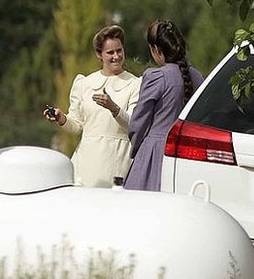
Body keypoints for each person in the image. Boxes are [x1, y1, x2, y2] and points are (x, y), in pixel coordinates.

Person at [43, 25, 140, 188]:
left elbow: (133, 125)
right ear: (99, 55)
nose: (116, 56)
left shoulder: (135, 84)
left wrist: (113, 108)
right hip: (86, 164)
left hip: (118, 162)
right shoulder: (84, 84)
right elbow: (77, 127)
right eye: (110, 52)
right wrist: (61, 118)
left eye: (119, 50)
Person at [124, 19, 204, 191]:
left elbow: (138, 123)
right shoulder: (198, 77)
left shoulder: (156, 77)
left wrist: (137, 149)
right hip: (186, 156)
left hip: (154, 154)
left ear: (156, 50)